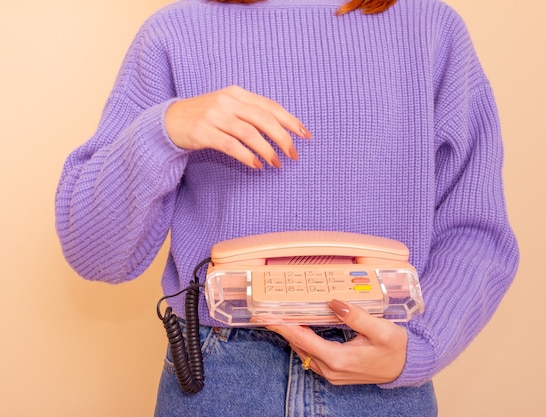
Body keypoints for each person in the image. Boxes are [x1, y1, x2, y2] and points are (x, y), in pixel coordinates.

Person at [55, 0, 519, 415]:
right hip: (219, 371)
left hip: (381, 376)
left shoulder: (433, 30)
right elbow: (95, 254)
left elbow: (476, 230)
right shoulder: (173, 33)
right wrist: (166, 130)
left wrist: (419, 346)